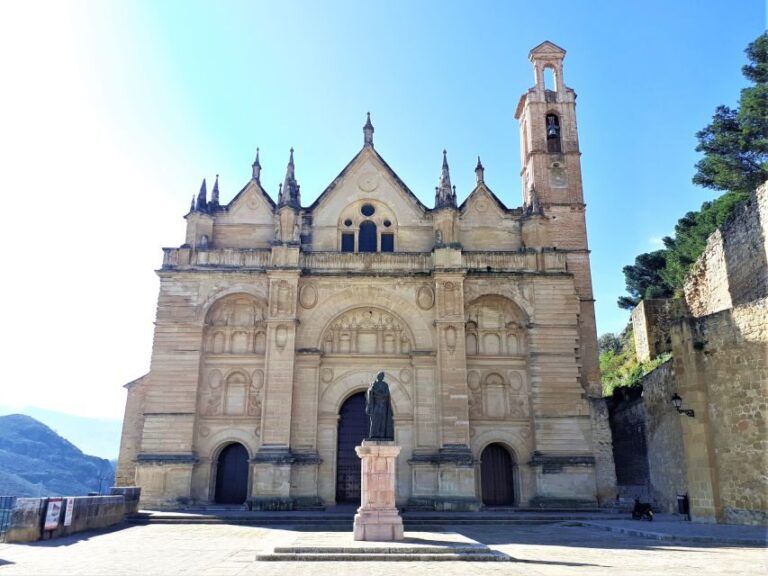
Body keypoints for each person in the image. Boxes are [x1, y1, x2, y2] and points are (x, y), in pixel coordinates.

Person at [365, 371, 394, 440]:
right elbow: (370, 392)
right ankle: (373, 435)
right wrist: (372, 391)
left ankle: (382, 435)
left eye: (382, 376)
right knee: (375, 421)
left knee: (383, 420)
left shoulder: (385, 385)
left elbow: (387, 394)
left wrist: (380, 394)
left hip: (383, 405)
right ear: (377, 376)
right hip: (376, 405)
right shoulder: (374, 383)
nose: (381, 377)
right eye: (380, 375)